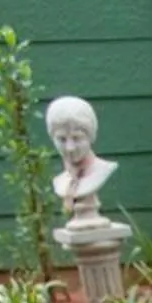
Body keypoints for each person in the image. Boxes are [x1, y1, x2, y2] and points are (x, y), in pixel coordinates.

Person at [46, 96, 117, 225]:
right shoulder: (60, 182)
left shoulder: (102, 170)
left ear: (90, 137)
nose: (70, 148)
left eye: (77, 138)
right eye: (62, 139)